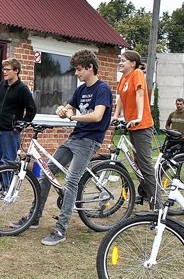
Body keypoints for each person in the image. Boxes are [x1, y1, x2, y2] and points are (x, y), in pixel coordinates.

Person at [11, 50, 112, 245]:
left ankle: (61, 229)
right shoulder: (81, 90)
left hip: (90, 140)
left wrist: (72, 117)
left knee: (72, 181)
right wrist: (62, 110)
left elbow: (97, 116)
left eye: (79, 69)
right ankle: (34, 217)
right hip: (75, 137)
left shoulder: (102, 89)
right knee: (47, 173)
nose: (76, 73)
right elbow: (68, 108)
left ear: (90, 67)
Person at [111, 50, 159, 210]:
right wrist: (116, 115)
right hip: (131, 124)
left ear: (133, 63)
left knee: (145, 164)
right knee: (137, 162)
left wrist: (139, 116)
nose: (120, 62)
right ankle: (145, 193)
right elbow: (121, 98)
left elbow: (140, 95)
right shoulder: (124, 78)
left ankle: (157, 206)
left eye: (123, 60)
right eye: (120, 60)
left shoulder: (137, 73)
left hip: (142, 124)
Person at [0, 57, 36, 179]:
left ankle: (7, 189)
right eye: (4, 69)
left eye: (8, 69)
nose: (5, 72)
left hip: (10, 131)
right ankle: (4, 185)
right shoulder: (2, 85)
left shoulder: (22, 89)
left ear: (16, 71)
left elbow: (32, 109)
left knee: (9, 161)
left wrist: (20, 125)